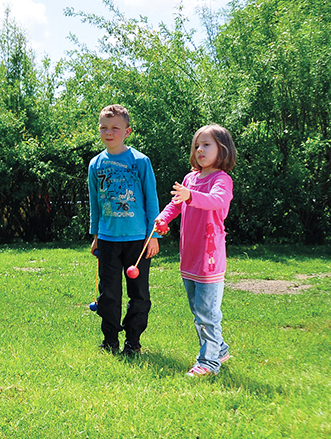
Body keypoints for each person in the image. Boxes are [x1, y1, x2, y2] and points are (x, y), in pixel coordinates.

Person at [154, 124, 237, 376]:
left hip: (209, 259)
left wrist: (190, 196)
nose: (200, 149)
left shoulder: (221, 180)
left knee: (207, 314)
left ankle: (209, 363)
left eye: (207, 144)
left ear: (222, 149)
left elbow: (217, 201)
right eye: (197, 145)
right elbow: (175, 203)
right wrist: (162, 219)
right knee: (198, 310)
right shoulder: (190, 179)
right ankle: (219, 349)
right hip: (189, 258)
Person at [88, 104, 160, 355]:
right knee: (108, 294)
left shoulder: (140, 161)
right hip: (107, 239)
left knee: (139, 293)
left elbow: (152, 201)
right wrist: (96, 235)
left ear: (127, 131)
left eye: (115, 128)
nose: (109, 132)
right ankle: (110, 341)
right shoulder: (95, 164)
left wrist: (154, 236)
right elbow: (95, 204)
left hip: (138, 240)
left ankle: (133, 342)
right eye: (104, 128)